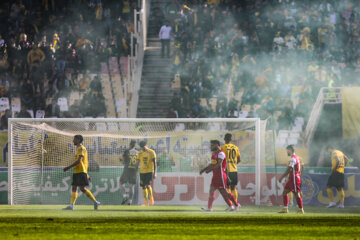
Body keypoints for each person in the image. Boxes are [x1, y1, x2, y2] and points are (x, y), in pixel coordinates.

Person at [200, 140, 239, 212]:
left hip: (220, 176)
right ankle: (209, 208)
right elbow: (212, 164)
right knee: (211, 190)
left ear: (217, 145)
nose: (210, 147)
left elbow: (219, 165)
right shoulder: (214, 154)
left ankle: (236, 205)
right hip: (215, 176)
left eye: (212, 145)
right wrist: (203, 170)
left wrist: (209, 170)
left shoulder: (221, 153)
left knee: (225, 193)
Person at [63, 135, 100, 210]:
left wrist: (68, 167)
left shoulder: (81, 148)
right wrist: (86, 174)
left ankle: (95, 202)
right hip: (78, 171)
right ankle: (71, 205)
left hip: (80, 171)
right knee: (76, 187)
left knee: (81, 188)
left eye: (74, 139)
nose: (73, 140)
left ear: (78, 140)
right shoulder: (78, 149)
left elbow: (79, 161)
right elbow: (84, 162)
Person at [278, 145, 304, 214]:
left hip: (294, 179)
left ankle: (301, 209)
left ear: (290, 150)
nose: (287, 152)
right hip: (292, 179)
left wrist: (281, 177)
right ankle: (285, 209)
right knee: (285, 192)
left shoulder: (293, 159)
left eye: (287, 150)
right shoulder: (296, 157)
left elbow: (289, 169)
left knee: (296, 194)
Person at [221, 133, 241, 203]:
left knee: (227, 188)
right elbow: (239, 160)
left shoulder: (223, 148)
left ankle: (231, 205)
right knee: (234, 188)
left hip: (226, 170)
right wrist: (233, 164)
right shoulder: (236, 147)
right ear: (231, 139)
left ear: (224, 139)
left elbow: (221, 159)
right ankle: (236, 205)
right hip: (234, 170)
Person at [136, 140, 157, 206]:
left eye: (144, 146)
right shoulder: (139, 153)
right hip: (142, 172)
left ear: (147, 145)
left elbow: (155, 163)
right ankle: (146, 202)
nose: (143, 148)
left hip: (150, 171)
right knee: (143, 187)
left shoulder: (152, 152)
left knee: (148, 185)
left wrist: (155, 172)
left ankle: (151, 199)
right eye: (142, 147)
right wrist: (135, 171)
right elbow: (138, 162)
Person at [119, 140, 138, 205]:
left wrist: (122, 161)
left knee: (121, 183)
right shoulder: (137, 152)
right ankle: (130, 201)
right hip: (134, 170)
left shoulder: (126, 151)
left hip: (127, 169)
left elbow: (124, 161)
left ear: (130, 144)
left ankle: (124, 195)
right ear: (135, 145)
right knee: (131, 186)